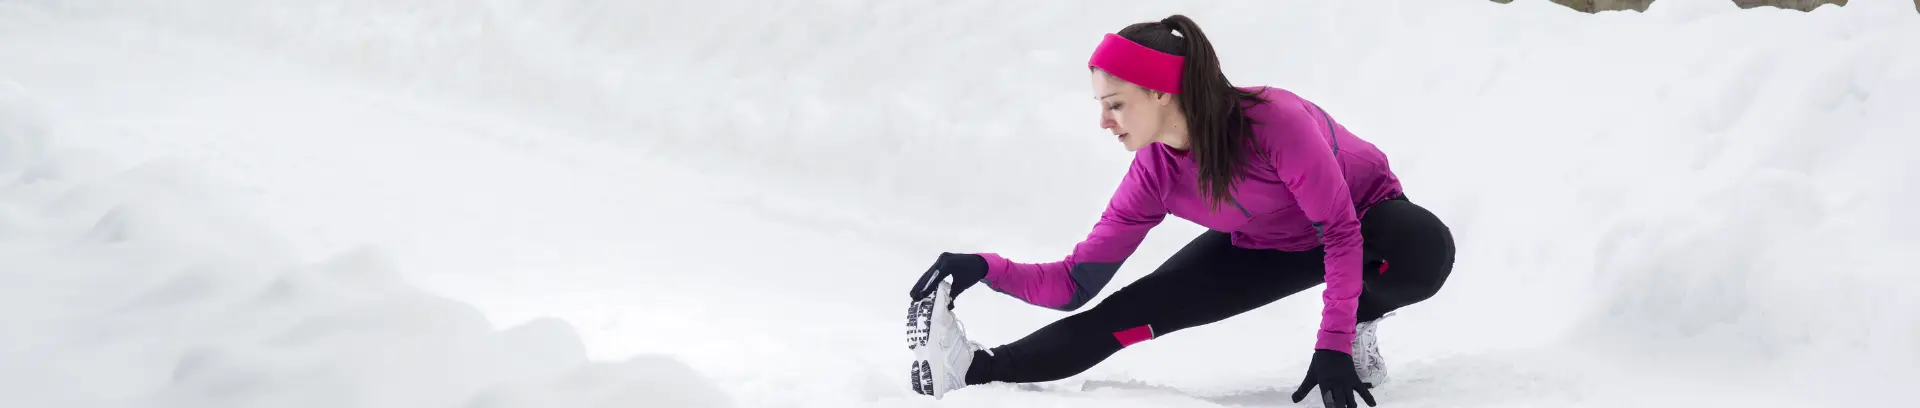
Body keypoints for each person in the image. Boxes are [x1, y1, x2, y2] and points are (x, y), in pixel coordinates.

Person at [904, 13, 1456, 408]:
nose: (1105, 122)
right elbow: (1076, 282)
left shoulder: (1272, 120)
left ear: (1163, 93)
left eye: (1115, 105)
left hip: (1365, 222)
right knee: (1119, 320)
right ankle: (977, 369)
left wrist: (1331, 346)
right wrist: (984, 267)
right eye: (1101, 106)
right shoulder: (1154, 172)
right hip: (1266, 245)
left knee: (1423, 248)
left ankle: (1361, 319)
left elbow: (1339, 233)